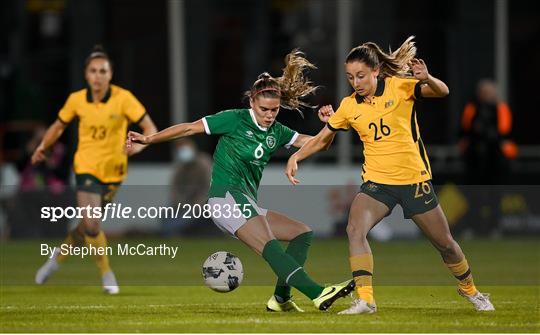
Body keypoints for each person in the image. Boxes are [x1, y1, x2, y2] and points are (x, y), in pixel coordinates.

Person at [127, 50, 354, 312]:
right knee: (270, 247)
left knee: (302, 233)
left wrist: (331, 126)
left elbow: (316, 145)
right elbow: (190, 128)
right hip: (226, 197)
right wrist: (149, 139)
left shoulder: (277, 131)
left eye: (275, 110)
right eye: (264, 109)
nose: (269, 115)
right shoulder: (234, 119)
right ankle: (318, 293)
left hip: (245, 200)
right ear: (252, 103)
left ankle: (281, 299)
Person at [285, 36, 495, 314]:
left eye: (360, 75)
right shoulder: (349, 105)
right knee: (354, 230)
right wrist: (296, 156)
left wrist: (428, 78)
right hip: (377, 183)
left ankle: (471, 290)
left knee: (445, 244)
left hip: (413, 181)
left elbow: (442, 91)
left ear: (376, 71)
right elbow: (323, 139)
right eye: (350, 77)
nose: (356, 82)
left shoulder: (400, 87)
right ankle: (366, 300)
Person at [32, 45, 158, 294]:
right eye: (93, 71)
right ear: (86, 75)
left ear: (110, 75)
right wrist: (43, 147)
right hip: (86, 167)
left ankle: (57, 258)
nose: (98, 76)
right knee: (92, 226)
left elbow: (150, 129)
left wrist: (139, 148)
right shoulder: (76, 100)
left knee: (86, 227)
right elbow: (58, 126)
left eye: (103, 71)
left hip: (114, 173)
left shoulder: (124, 98)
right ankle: (107, 274)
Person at [460, 78, 517, 185]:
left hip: (498, 155)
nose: (487, 96)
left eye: (489, 92)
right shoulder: (472, 108)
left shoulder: (501, 108)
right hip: (475, 155)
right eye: (484, 92)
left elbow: (505, 131)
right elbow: (465, 129)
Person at [162, 138, 214, 236]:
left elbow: (208, 189)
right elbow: (175, 189)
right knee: (166, 213)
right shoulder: (180, 167)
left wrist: (196, 205)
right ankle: (169, 233)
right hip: (185, 203)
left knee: (185, 218)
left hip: (202, 204)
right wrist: (179, 203)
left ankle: (172, 233)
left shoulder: (204, 163)